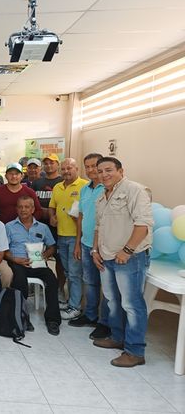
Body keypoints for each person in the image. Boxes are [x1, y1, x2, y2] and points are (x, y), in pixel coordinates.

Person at [92, 157, 153, 368]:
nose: (104, 174)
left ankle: (135, 351)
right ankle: (117, 337)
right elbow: (98, 227)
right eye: (100, 171)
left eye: (109, 170)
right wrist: (95, 250)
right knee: (112, 300)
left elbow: (143, 224)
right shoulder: (101, 196)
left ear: (121, 171)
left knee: (132, 304)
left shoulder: (136, 190)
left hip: (130, 258)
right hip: (106, 256)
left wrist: (127, 251)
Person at [5, 196, 61, 335]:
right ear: (16, 209)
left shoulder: (43, 227)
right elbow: (4, 251)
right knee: (19, 280)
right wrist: (15, 259)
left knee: (52, 280)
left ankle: (53, 320)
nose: (23, 210)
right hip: (18, 263)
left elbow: (52, 246)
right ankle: (22, 317)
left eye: (27, 207)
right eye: (20, 207)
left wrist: (45, 255)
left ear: (33, 209)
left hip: (38, 264)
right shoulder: (9, 227)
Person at [71, 153, 110, 339]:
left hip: (105, 246)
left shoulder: (108, 188)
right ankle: (90, 316)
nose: (91, 170)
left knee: (107, 287)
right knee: (90, 282)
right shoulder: (85, 189)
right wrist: (78, 243)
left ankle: (105, 323)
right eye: (87, 166)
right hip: (86, 243)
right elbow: (81, 217)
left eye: (94, 166)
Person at [49, 158, 88, 321]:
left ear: (77, 169)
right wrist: (52, 217)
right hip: (61, 235)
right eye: (63, 169)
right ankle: (71, 301)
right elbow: (52, 206)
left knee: (74, 273)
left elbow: (89, 212)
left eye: (69, 168)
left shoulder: (85, 186)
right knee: (67, 271)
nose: (66, 171)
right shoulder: (57, 187)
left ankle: (75, 307)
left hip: (76, 237)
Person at [31, 153, 65, 295]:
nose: (49, 165)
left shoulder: (62, 181)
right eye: (46, 163)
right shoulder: (37, 182)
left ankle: (60, 287)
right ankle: (37, 285)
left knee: (59, 257)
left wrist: (51, 213)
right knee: (36, 255)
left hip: (56, 226)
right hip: (38, 225)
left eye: (52, 162)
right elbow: (32, 203)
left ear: (58, 164)